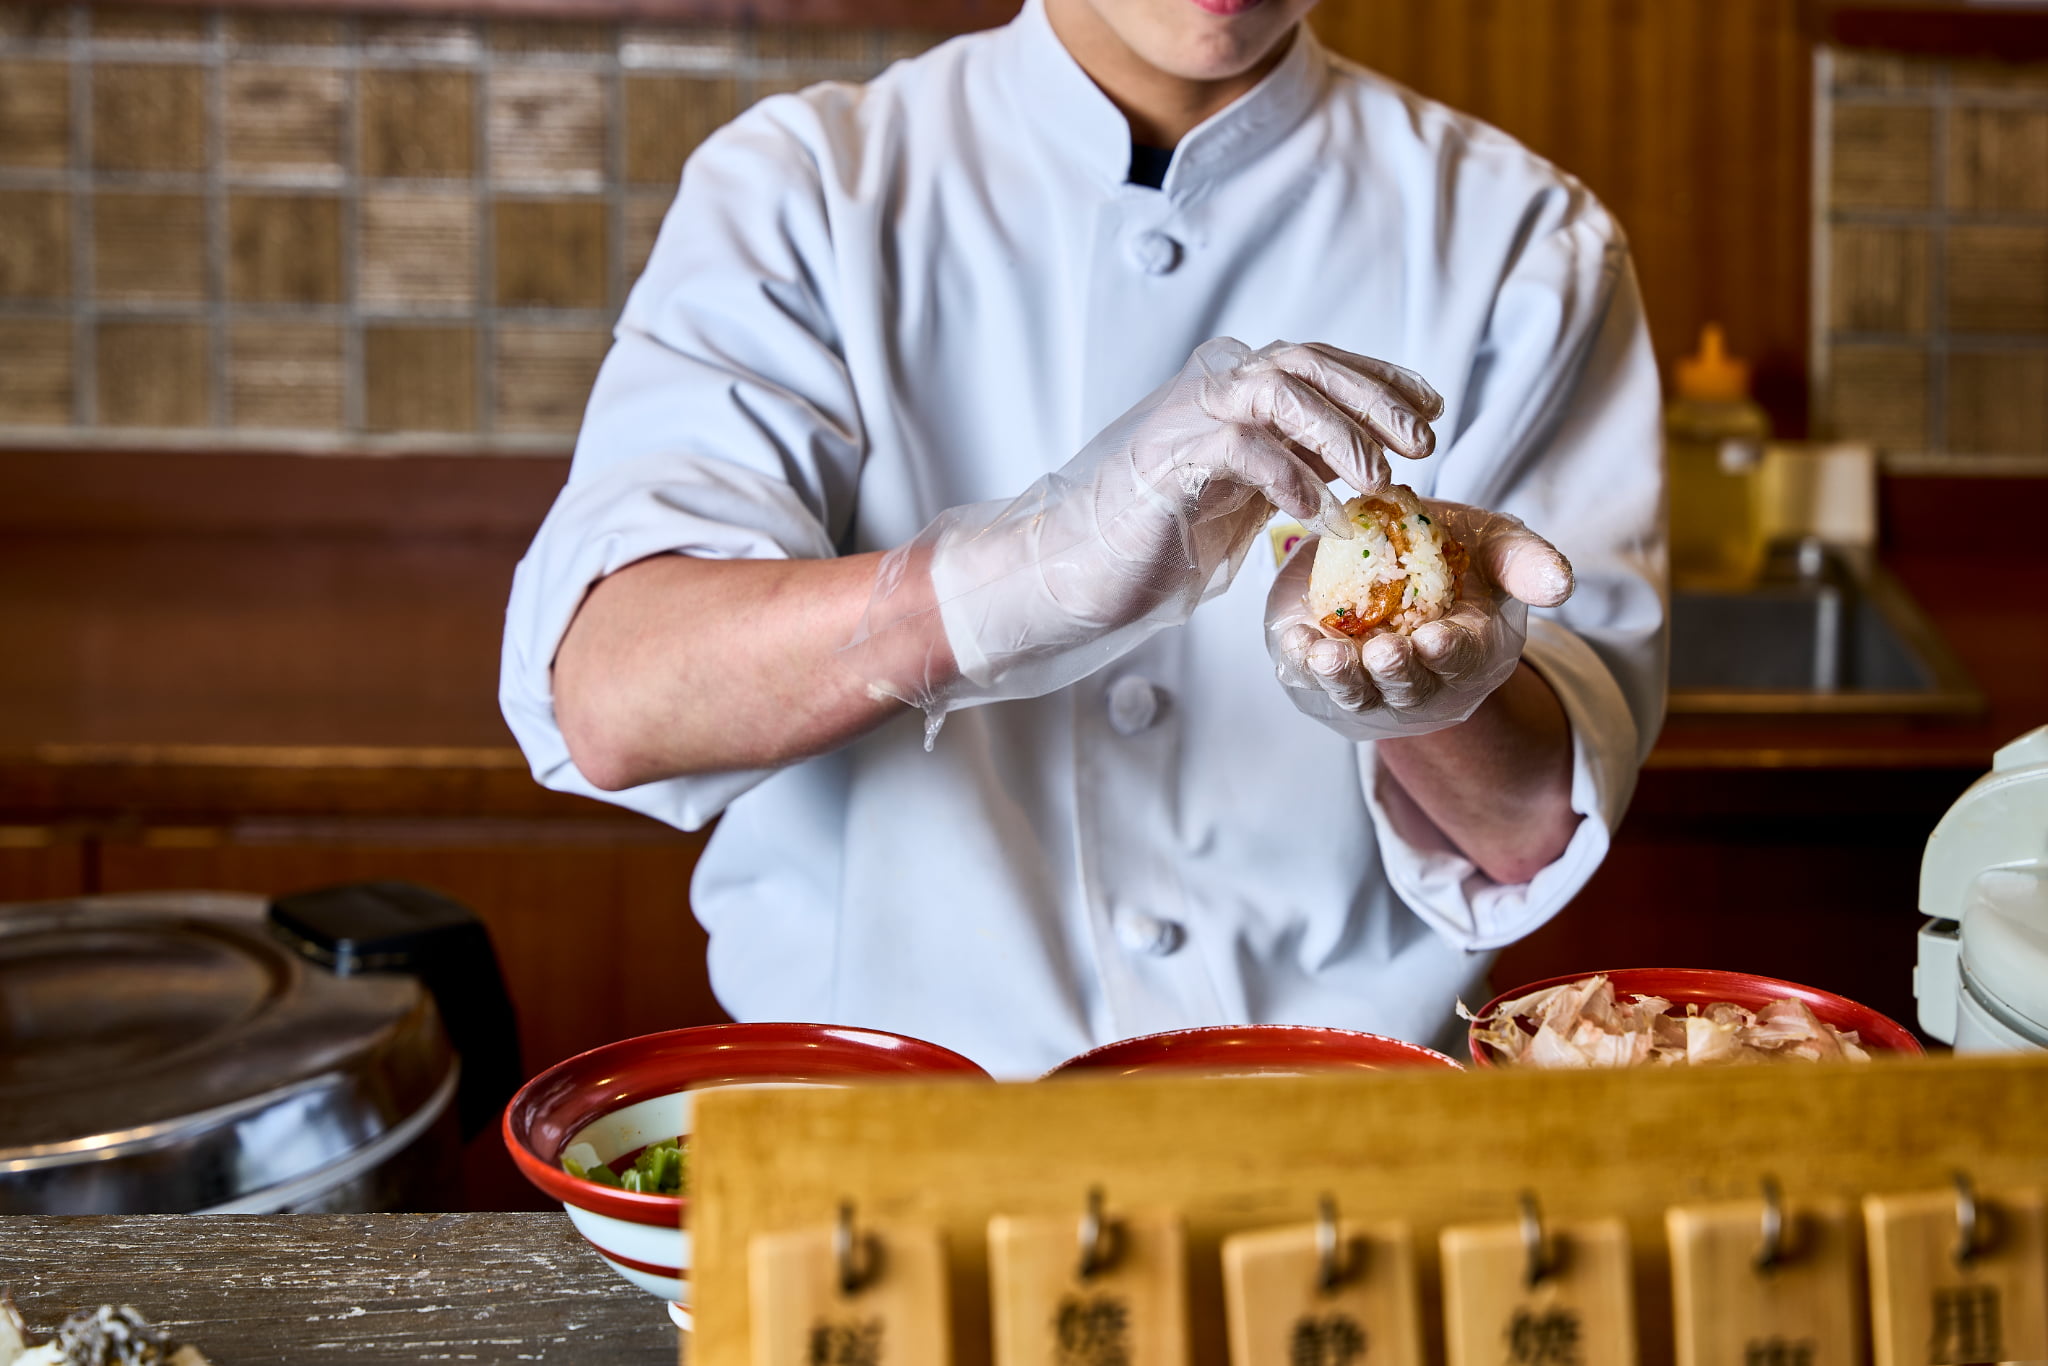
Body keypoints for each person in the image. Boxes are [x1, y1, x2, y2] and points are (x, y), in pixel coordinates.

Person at [500, 0, 1667, 1077]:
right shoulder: (809, 188)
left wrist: (1429, 699)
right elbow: (616, 695)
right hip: (881, 1139)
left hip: (1335, 1138)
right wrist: (1031, 567)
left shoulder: (1523, 241)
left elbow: (1524, 831)